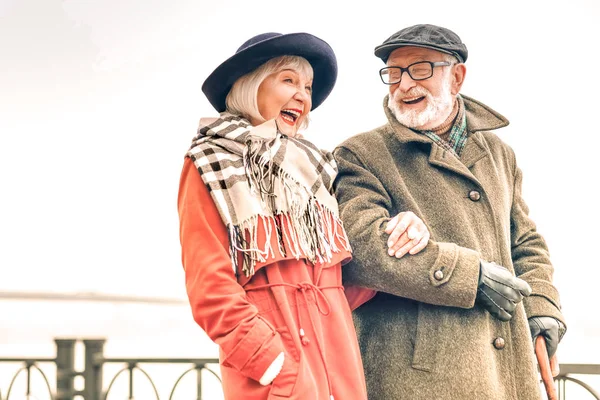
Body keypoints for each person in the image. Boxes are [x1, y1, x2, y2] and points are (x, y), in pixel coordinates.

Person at [177, 32, 429, 400]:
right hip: (274, 384)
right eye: (289, 81)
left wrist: (396, 238)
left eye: (308, 87)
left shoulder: (317, 170)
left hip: (338, 377)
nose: (302, 96)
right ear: (251, 85)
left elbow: (342, 288)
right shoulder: (207, 163)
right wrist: (278, 368)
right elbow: (210, 290)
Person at [332, 24, 567, 400]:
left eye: (420, 68)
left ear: (456, 77)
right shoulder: (360, 154)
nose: (405, 84)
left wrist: (542, 306)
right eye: (394, 73)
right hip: (416, 382)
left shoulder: (499, 152)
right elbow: (360, 248)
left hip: (509, 374)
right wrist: (469, 275)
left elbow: (525, 240)